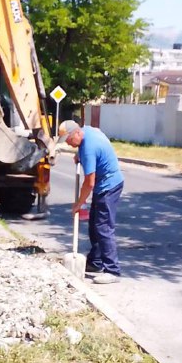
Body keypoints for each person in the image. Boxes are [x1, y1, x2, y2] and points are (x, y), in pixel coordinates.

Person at [59, 120, 124, 284]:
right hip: (104, 185)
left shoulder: (88, 149)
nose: (68, 144)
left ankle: (112, 270)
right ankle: (95, 263)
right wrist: (78, 154)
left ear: (76, 133)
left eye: (68, 140)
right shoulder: (88, 131)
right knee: (94, 225)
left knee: (103, 227)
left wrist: (79, 203)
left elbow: (89, 182)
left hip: (109, 186)